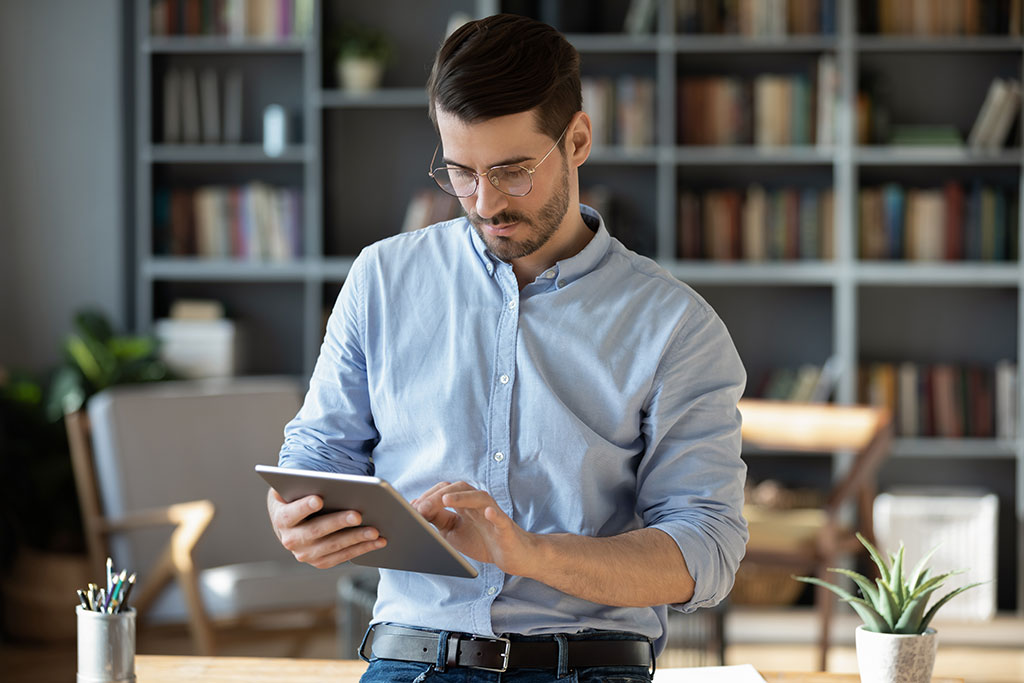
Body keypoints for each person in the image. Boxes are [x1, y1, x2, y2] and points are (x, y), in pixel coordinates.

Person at [268, 13, 747, 682]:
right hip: (414, 656)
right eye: (460, 172)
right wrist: (296, 517)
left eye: (513, 171)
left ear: (577, 139)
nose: (485, 202)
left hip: (586, 663)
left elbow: (707, 547)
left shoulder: (675, 325)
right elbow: (315, 457)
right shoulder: (380, 279)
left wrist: (529, 553)